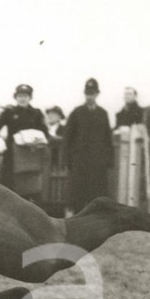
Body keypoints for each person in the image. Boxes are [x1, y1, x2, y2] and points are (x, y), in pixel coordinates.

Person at [65, 78, 113, 212]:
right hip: (80, 162)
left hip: (97, 163)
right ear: (84, 94)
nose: (89, 96)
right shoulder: (77, 112)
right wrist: (68, 160)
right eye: (87, 93)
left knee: (97, 195)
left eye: (92, 93)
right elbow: (68, 137)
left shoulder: (103, 114)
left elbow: (107, 138)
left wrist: (108, 160)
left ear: (97, 94)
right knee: (78, 196)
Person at [0, 84, 49, 194]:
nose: (22, 99)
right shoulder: (9, 112)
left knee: (30, 187)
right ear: (16, 97)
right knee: (9, 186)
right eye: (20, 96)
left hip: (31, 154)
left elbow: (45, 133)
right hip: (11, 154)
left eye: (25, 96)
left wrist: (37, 139)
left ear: (30, 97)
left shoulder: (36, 113)